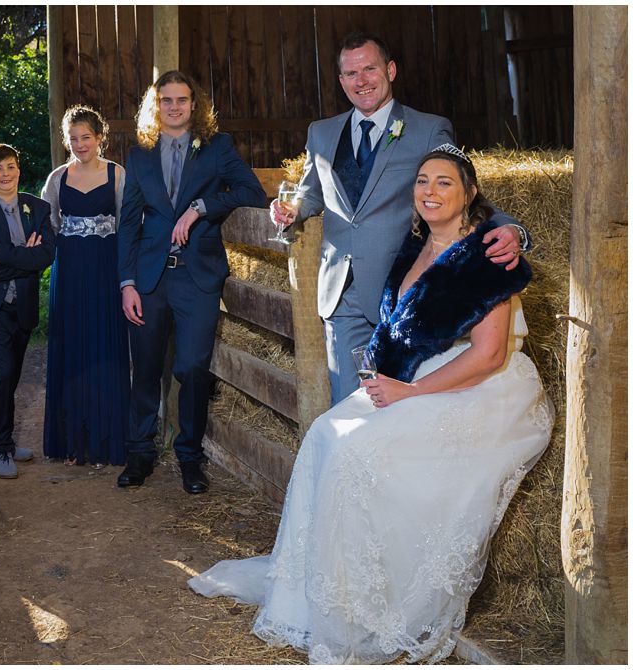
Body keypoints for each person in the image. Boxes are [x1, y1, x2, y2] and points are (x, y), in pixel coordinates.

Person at [189, 145, 553, 664]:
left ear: (470, 193)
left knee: (358, 454)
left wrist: (410, 392)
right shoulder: (416, 245)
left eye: (444, 182)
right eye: (422, 181)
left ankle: (371, 610)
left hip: (482, 387)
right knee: (322, 435)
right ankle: (316, 596)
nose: (429, 191)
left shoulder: (488, 256)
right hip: (420, 373)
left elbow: (489, 353)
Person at [272, 32, 531, 405]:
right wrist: (292, 210)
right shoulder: (321, 133)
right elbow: (312, 192)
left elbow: (462, 187)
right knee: (349, 403)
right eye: (350, 73)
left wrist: (511, 228)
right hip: (341, 291)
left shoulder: (427, 128)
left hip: (403, 287)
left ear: (390, 70)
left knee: (400, 404)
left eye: (369, 69)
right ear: (341, 80)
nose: (360, 81)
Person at [117, 71, 267, 494]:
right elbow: (129, 223)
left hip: (197, 277)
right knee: (145, 370)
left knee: (192, 368)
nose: (175, 107)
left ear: (194, 104)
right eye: (167, 100)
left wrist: (201, 207)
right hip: (148, 279)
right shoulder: (140, 154)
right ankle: (139, 454)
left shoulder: (216, 148)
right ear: (155, 105)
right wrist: (127, 282)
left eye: (183, 99)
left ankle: (189, 457)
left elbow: (252, 192)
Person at [41, 106, 129, 468]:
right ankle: (74, 441)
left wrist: (127, 276)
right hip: (71, 270)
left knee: (104, 346)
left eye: (86, 137)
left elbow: (127, 224)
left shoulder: (117, 174)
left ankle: (107, 440)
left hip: (106, 267)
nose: (80, 144)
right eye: (73, 138)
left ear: (99, 137)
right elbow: (49, 224)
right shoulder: (57, 178)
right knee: (73, 346)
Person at [0, 144, 56, 479]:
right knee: (0, 373)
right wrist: (20, 257)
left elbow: (45, 257)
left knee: (12, 376)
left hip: (24, 306)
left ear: (19, 170)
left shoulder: (38, 207)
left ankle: (5, 437)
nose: (6, 174)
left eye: (12, 166)